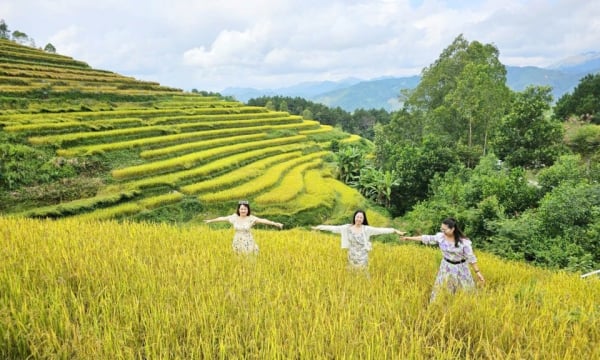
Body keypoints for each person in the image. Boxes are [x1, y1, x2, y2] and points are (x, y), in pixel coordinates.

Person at [401, 217, 485, 301]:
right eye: (442, 229)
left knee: (466, 289)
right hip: (446, 267)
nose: (443, 231)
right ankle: (440, 305)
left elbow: (471, 257)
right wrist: (409, 238)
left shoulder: (464, 242)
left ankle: (465, 307)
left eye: (445, 230)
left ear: (453, 229)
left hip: (461, 268)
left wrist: (477, 272)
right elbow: (426, 238)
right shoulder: (440, 237)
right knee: (442, 288)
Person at [311, 209, 405, 269]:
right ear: (354, 217)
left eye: (361, 217)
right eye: (357, 217)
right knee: (351, 275)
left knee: (363, 275)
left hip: (363, 257)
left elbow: (381, 230)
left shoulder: (366, 229)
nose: (359, 219)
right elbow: (333, 228)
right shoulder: (347, 228)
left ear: (363, 219)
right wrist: (318, 227)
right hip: (351, 256)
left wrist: (395, 231)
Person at [204, 200, 283, 254]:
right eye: (241, 209)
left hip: (248, 241)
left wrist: (275, 223)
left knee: (249, 258)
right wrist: (211, 220)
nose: (243, 211)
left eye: (245, 209)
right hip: (237, 240)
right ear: (238, 210)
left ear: (248, 210)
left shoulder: (251, 218)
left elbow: (264, 220)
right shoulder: (234, 217)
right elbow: (222, 218)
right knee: (238, 257)